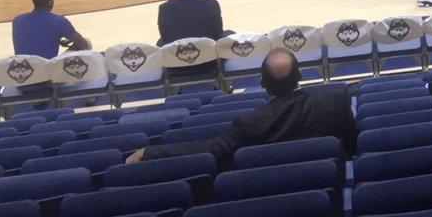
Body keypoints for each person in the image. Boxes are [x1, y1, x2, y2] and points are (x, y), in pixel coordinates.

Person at [129, 50, 355, 167]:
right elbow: (352, 144)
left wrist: (150, 152)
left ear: (263, 83)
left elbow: (211, 149)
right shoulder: (336, 99)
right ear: (300, 76)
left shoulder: (250, 123)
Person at [11, 0, 89, 58]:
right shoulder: (59, 21)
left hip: (23, 67)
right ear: (50, 2)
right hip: (47, 69)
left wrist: (57, 40)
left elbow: (34, 34)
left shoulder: (17, 21)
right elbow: (82, 43)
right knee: (86, 42)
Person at [156, 0, 228, 45]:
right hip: (209, 51)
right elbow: (218, 34)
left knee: (160, 42)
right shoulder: (210, 2)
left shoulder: (164, 8)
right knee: (229, 33)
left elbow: (165, 38)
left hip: (178, 54)